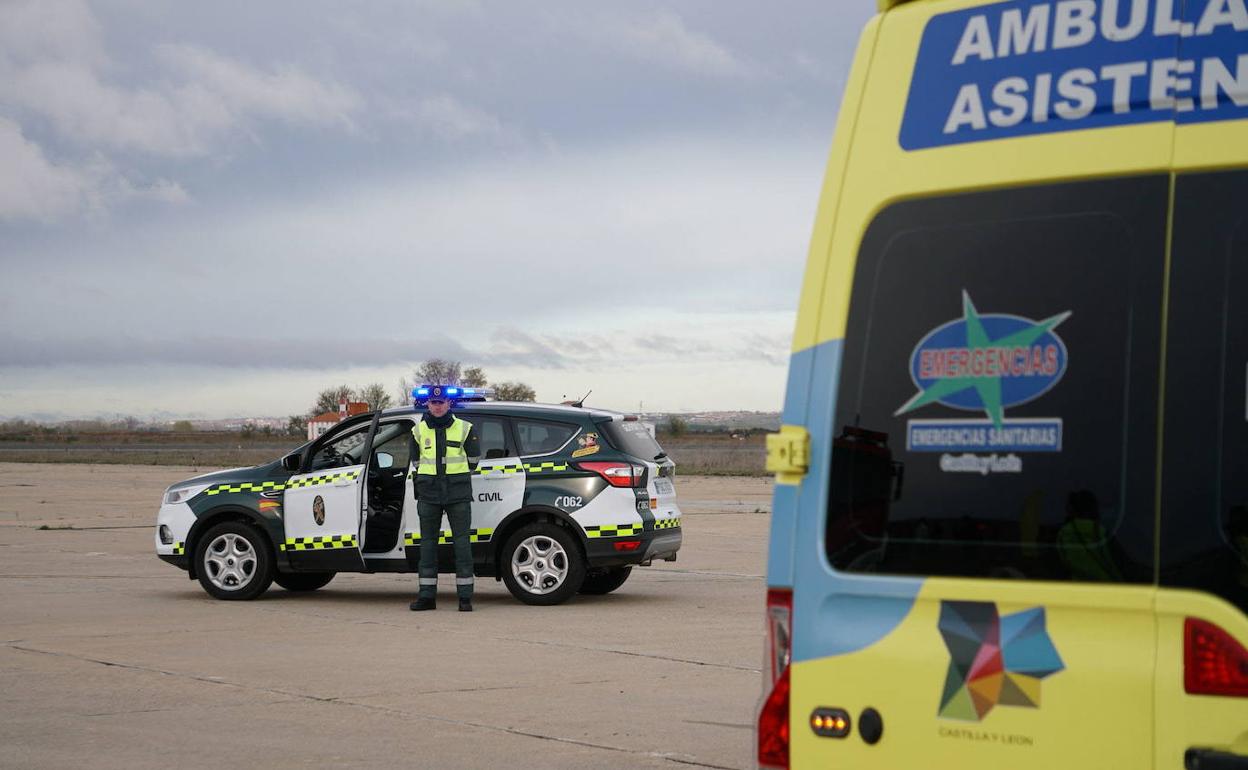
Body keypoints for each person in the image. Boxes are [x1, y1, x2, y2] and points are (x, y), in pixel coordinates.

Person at [409, 386, 480, 612]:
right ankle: (427, 597)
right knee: (427, 547)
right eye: (433, 403)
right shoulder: (418, 431)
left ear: (449, 404)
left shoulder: (465, 428)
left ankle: (465, 598)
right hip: (429, 494)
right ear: (427, 405)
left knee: (462, 545)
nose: (437, 406)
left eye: (441, 402)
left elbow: (474, 460)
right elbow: (416, 463)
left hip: (457, 493)